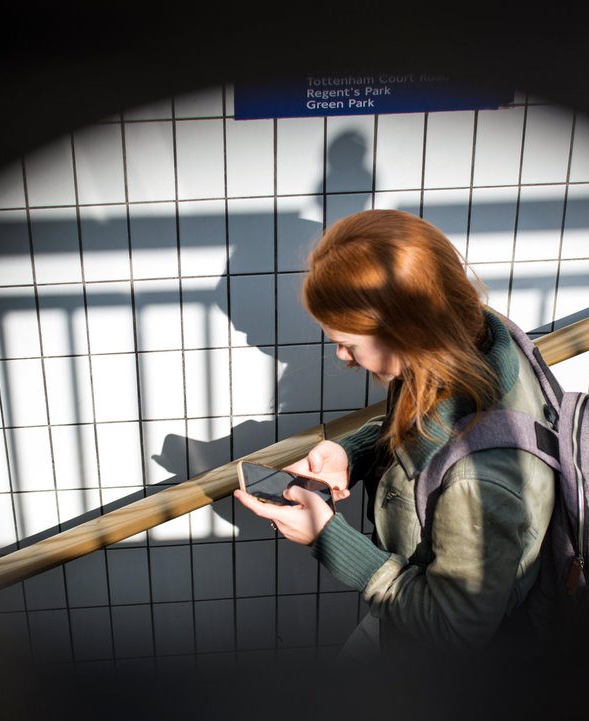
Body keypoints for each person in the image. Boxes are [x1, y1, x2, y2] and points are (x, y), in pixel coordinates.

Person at [233, 209, 555, 658]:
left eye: (350, 343)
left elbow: (455, 627)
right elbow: (424, 430)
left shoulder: (480, 477)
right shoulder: (470, 339)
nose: (342, 357)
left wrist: (327, 536)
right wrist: (351, 452)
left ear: (409, 331)